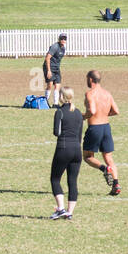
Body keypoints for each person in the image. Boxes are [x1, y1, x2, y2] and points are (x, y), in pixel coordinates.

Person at [81, 70, 121, 195]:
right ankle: (116, 184)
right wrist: (104, 114)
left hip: (95, 128)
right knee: (108, 157)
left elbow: (92, 111)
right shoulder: (107, 94)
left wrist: (83, 116)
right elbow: (116, 111)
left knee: (88, 157)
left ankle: (104, 169)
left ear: (91, 80)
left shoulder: (90, 94)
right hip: (106, 127)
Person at [50, 87, 83, 219]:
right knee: (72, 181)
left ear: (61, 97)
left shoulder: (60, 112)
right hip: (76, 150)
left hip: (63, 148)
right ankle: (70, 212)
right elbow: (80, 135)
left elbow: (56, 132)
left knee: (55, 179)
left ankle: (60, 208)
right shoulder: (78, 112)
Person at [43, 34, 66, 106]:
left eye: (64, 39)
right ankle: (45, 102)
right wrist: (49, 70)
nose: (63, 40)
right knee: (50, 84)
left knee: (57, 85)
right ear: (59, 39)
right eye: (62, 39)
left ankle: (55, 104)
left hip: (56, 68)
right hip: (49, 67)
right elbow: (47, 58)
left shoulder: (63, 48)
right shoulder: (54, 47)